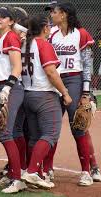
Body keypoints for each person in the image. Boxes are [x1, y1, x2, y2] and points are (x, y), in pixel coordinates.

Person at [49, 1, 98, 186]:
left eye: (54, 12)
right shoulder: (51, 33)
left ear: (64, 14)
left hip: (74, 80)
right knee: (50, 127)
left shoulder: (81, 33)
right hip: (54, 81)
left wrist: (86, 91)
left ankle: (86, 171)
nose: (52, 14)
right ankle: (48, 169)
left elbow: (87, 65)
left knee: (78, 126)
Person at [21, 14, 72, 189]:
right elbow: (51, 72)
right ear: (44, 28)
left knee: (35, 137)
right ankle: (32, 171)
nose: (50, 28)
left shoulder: (25, 44)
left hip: (28, 94)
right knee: (50, 134)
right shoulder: (44, 44)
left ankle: (38, 174)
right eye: (48, 26)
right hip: (44, 95)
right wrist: (64, 92)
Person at [0, 6, 27, 194]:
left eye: (3, 17)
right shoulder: (2, 38)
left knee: (5, 133)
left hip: (10, 88)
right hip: (2, 87)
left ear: (11, 21)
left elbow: (17, 66)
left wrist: (6, 88)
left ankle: (17, 179)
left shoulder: (11, 37)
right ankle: (14, 174)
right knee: (9, 132)